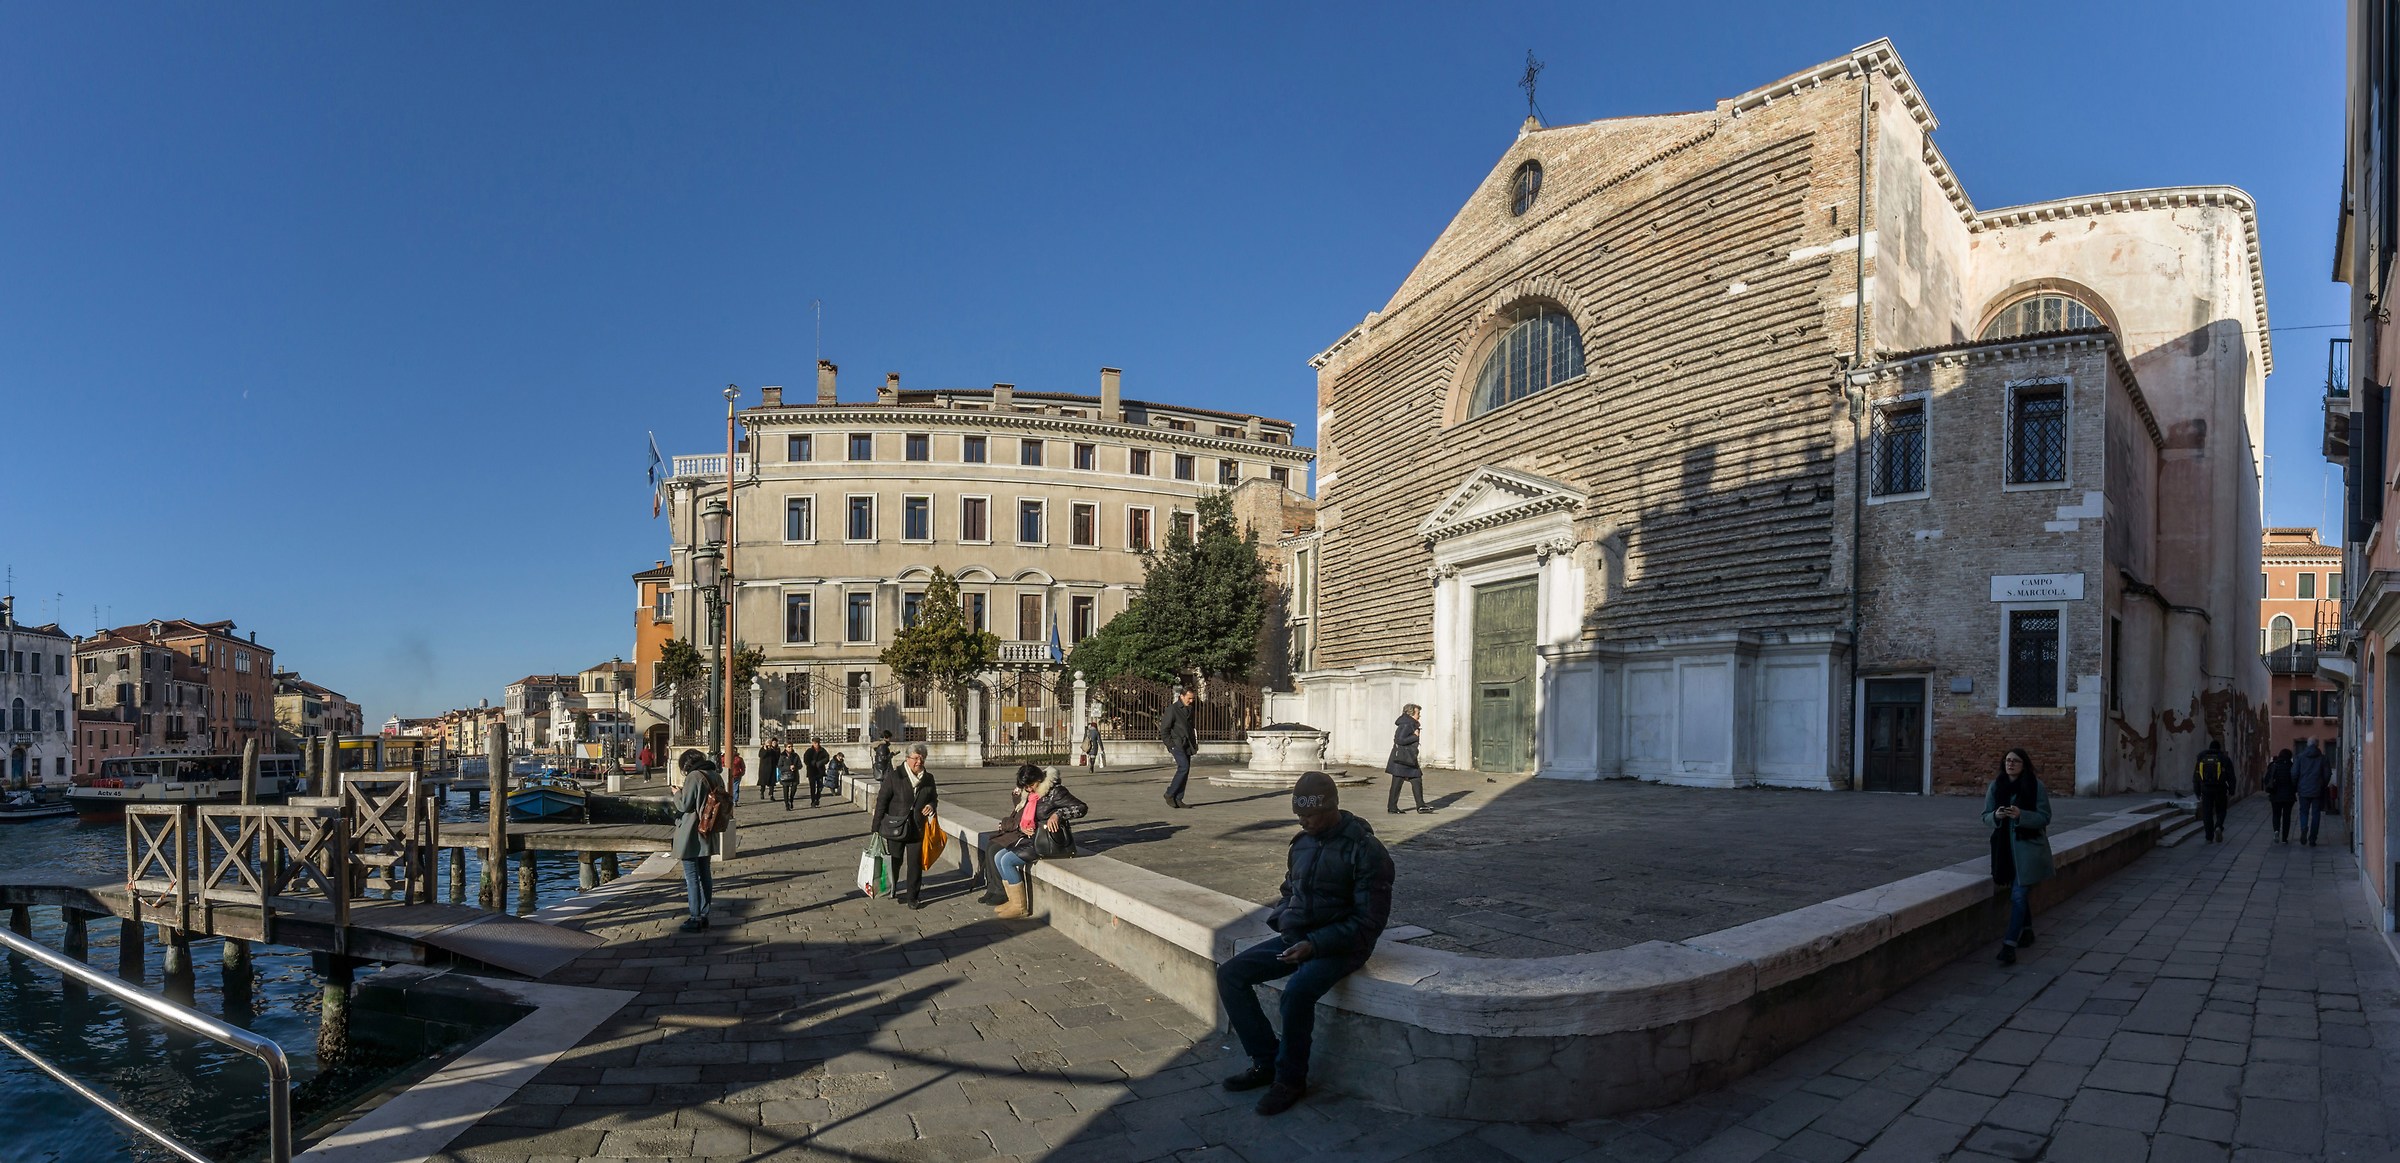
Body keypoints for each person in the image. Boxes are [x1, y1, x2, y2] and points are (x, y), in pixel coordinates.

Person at [1215, 771, 1395, 1117]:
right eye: (1299, 815)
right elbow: (1289, 891)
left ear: (1332, 808)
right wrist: (1285, 920)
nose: (1303, 821)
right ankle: (1265, 1060)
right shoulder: (1302, 843)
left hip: (1343, 946)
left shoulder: (1365, 850)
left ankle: (1290, 1080)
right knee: (1232, 975)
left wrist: (1315, 944)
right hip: (1299, 937)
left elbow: (1369, 922)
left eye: (1309, 815)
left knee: (1298, 993)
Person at [1984, 748, 2055, 966]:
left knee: (2017, 895)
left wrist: (2021, 815)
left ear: (2024, 764)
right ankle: (2027, 931)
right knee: (2018, 895)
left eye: (2015, 761)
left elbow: (2045, 817)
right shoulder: (1996, 787)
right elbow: (1985, 816)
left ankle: (2009, 946)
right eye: (2007, 760)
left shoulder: (2036, 786)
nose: (2010, 764)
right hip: (2004, 850)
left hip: (2029, 851)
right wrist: (1996, 815)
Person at [872, 743, 939, 909]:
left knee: (915, 863)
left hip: (917, 827)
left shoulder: (928, 778)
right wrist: (876, 827)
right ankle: (892, 888)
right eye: (916, 758)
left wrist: (931, 805)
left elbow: (933, 798)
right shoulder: (895, 776)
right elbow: (882, 801)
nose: (919, 761)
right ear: (908, 759)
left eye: (922, 758)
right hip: (896, 826)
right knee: (895, 861)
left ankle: (913, 897)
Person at [671, 749, 725, 932]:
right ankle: (704, 913)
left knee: (692, 876)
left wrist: (676, 793)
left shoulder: (694, 776)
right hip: (708, 831)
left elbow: (684, 805)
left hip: (691, 833)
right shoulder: (716, 775)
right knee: (705, 874)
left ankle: (695, 917)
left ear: (687, 764)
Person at [1160, 687, 1198, 810]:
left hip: (1187, 744)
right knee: (1183, 767)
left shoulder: (1190, 709)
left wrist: (1194, 744)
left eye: (1193, 698)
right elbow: (1164, 729)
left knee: (1186, 771)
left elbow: (1190, 728)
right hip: (1176, 744)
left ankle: (1178, 798)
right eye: (1189, 698)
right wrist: (1170, 744)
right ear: (1181, 696)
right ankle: (1170, 793)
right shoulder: (1172, 709)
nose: (1191, 701)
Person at [1385, 704, 1426, 814]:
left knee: (1416, 779)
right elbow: (1399, 740)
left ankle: (1421, 805)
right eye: (1418, 713)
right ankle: (1392, 807)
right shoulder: (1407, 724)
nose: (1419, 716)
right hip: (1403, 759)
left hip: (1408, 758)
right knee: (1397, 783)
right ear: (1411, 714)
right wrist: (1415, 736)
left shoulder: (1409, 723)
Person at [2193, 739, 2234, 843]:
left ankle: (2208, 837)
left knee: (2207, 812)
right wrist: (2232, 791)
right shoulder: (2224, 758)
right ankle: (2219, 826)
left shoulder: (2201, 757)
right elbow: (2231, 776)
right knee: (2221, 810)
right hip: (2220, 788)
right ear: (2219, 748)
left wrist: (2197, 791)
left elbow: (2196, 775)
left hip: (2205, 789)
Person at [2294, 737, 2329, 846]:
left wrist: (2297, 786)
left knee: (2303, 812)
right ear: (2317, 745)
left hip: (2303, 789)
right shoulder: (2323, 758)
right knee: (2316, 814)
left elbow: (2294, 773)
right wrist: (2323, 784)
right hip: (2317, 790)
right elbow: (2327, 774)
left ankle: (2304, 827)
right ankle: (2313, 838)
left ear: (2307, 745)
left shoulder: (2300, 757)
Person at [2264, 748, 2297, 843]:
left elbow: (2266, 780)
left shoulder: (2273, 766)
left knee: (2276, 814)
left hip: (2275, 795)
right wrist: (2294, 790)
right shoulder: (2292, 766)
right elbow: (2295, 780)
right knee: (2287, 816)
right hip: (2289, 796)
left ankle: (2276, 831)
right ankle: (2284, 838)